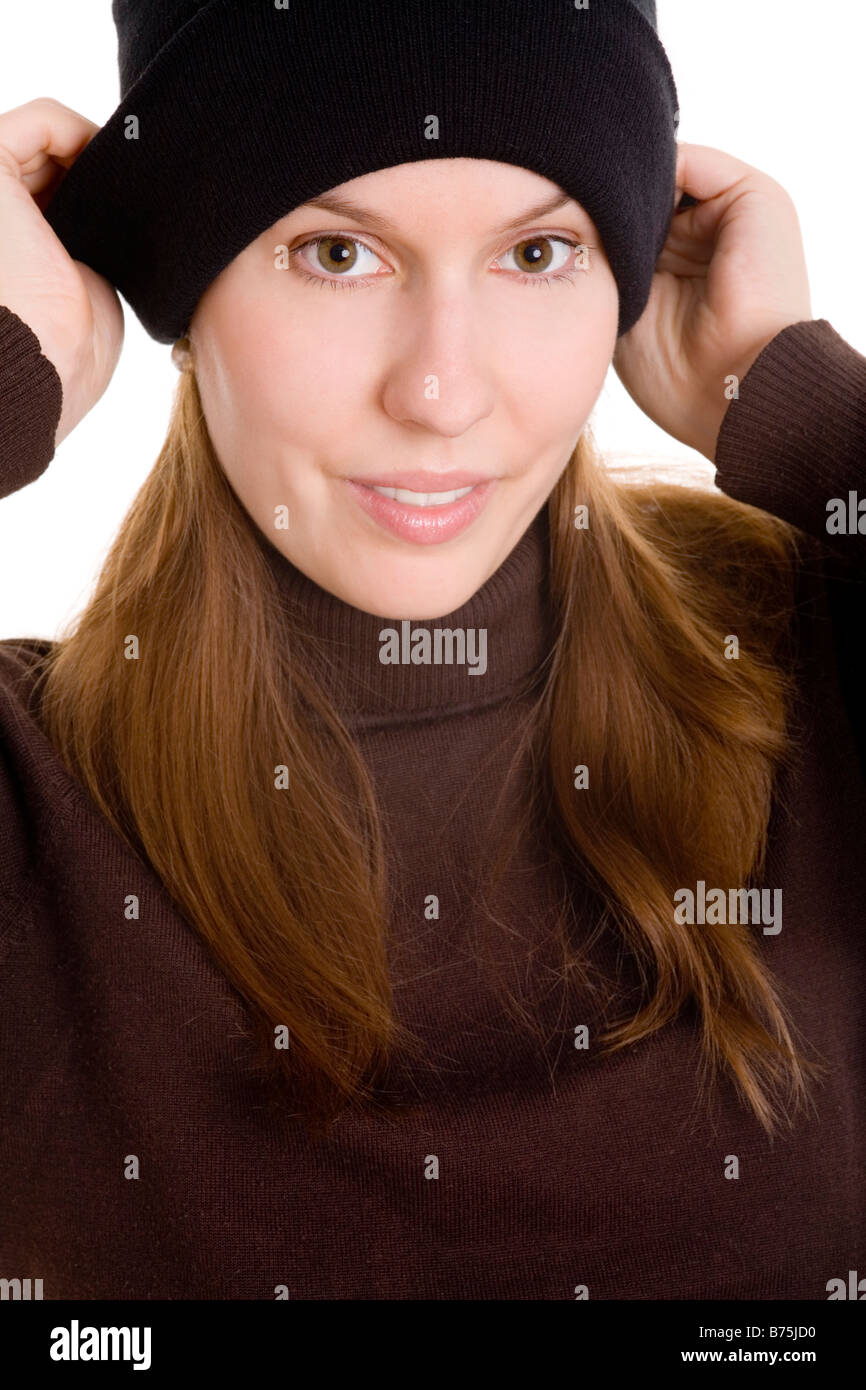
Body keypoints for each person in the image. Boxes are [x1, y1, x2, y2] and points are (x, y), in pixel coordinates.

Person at [0, 0, 864, 1301]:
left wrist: (793, 400)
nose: (441, 390)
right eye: (338, 252)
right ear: (180, 287)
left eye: (538, 254)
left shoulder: (805, 660)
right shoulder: (30, 797)